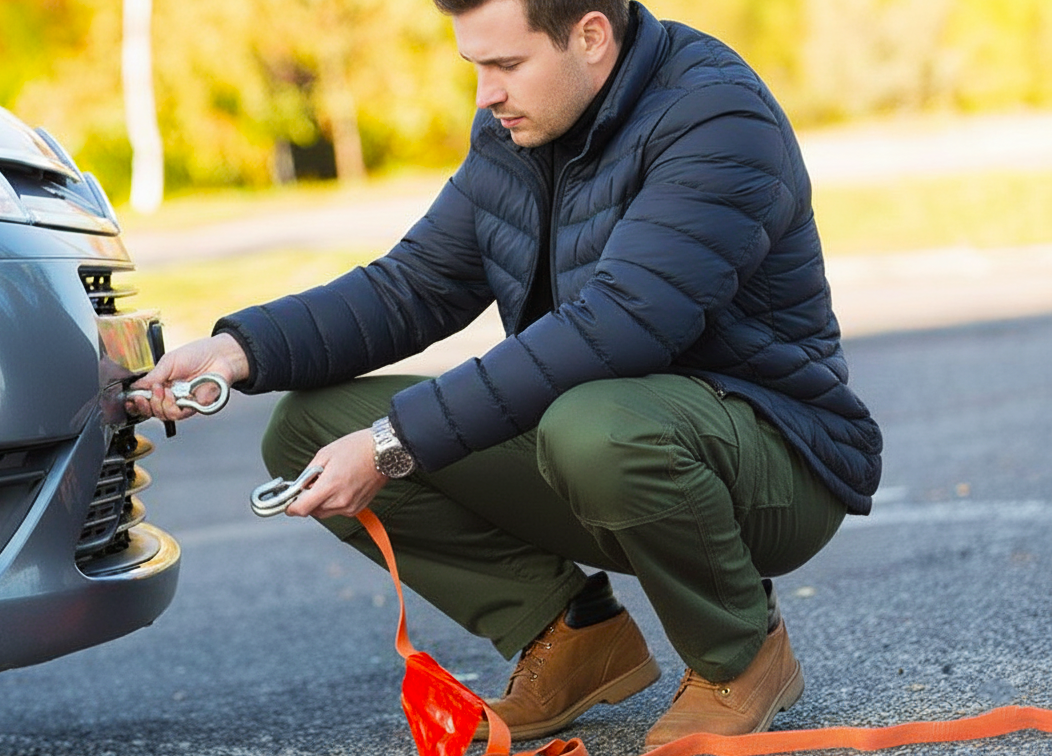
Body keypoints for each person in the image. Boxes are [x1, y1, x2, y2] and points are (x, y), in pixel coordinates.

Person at [127, 0, 883, 749]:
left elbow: (621, 326)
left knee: (596, 428)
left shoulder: (716, 116)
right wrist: (239, 351)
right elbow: (414, 286)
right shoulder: (517, 130)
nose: (486, 93)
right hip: (612, 442)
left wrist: (394, 443)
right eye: (476, 66)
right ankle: (577, 636)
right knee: (308, 431)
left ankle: (740, 655)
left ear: (590, 35)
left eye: (506, 65)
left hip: (773, 459)